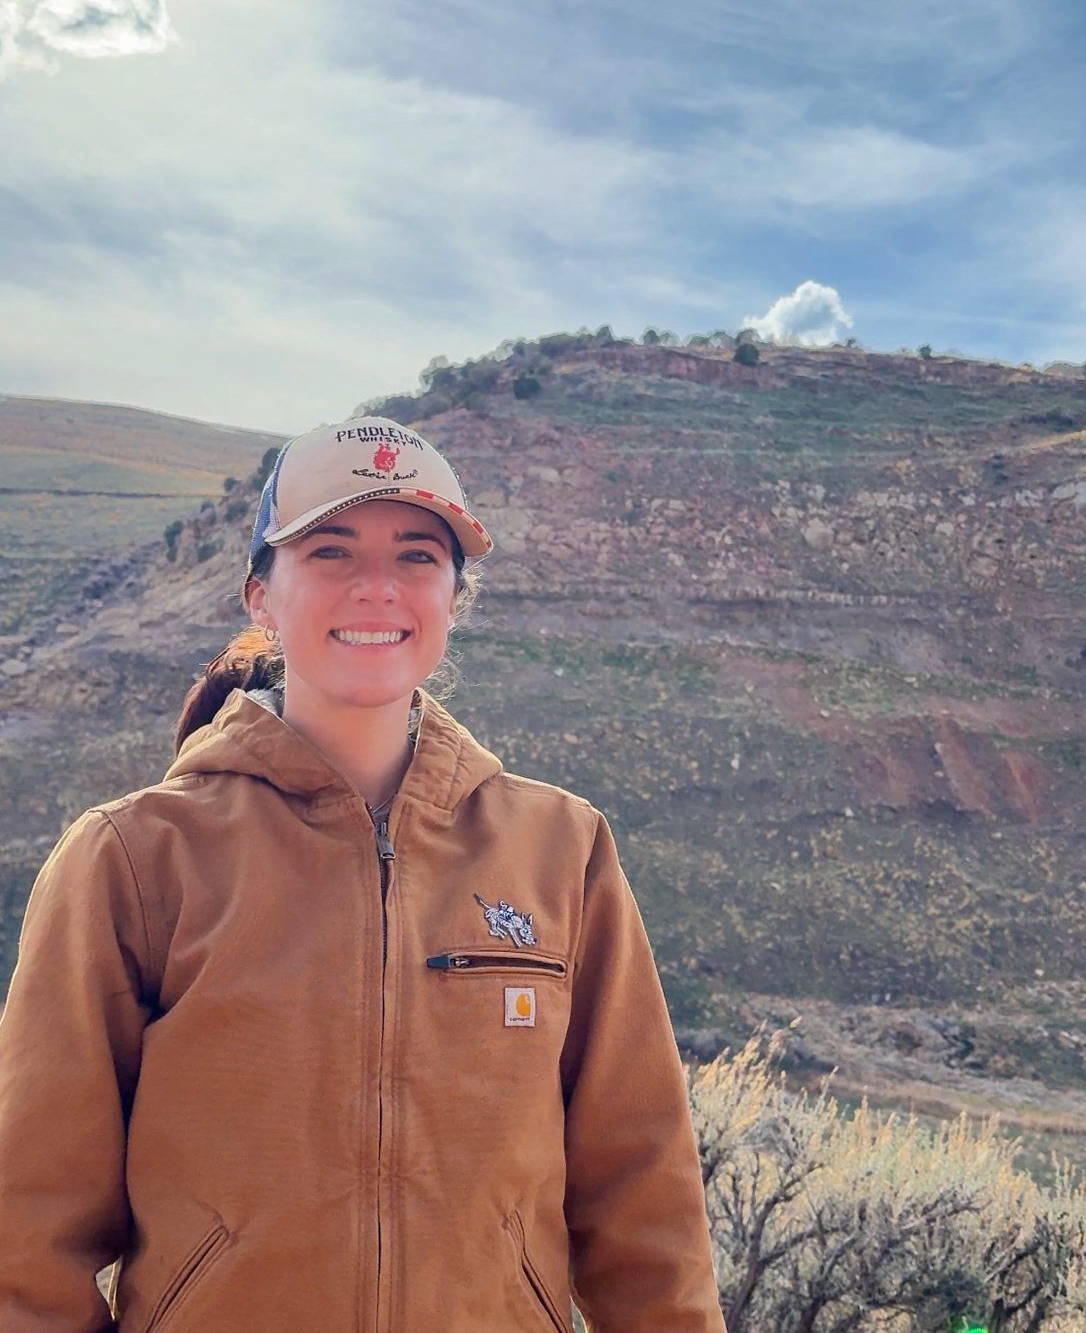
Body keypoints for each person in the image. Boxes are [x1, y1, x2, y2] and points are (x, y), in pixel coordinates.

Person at [0, 416, 725, 1332]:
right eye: (331, 550)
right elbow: (25, 1242)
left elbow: (645, 1206)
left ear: (455, 599)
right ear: (261, 593)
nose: (377, 586)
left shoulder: (562, 851)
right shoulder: (134, 861)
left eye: (418, 556)